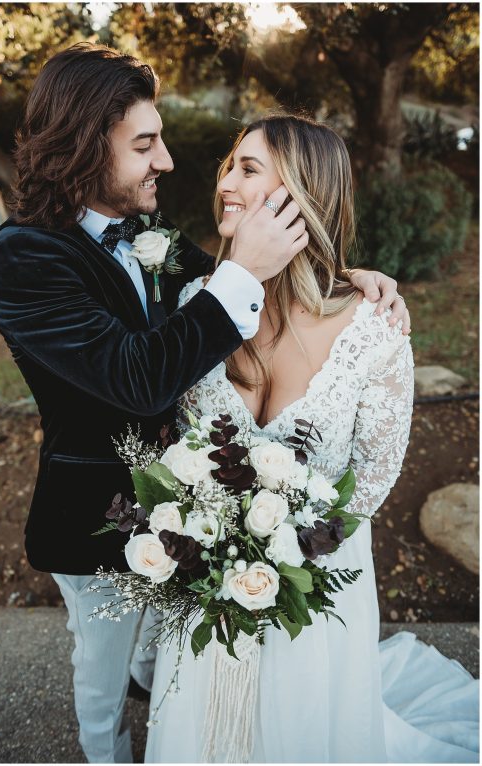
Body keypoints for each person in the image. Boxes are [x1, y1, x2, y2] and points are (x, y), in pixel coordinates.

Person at [0, 43, 409, 764]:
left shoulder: (149, 234)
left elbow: (241, 286)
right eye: (144, 144)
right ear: (87, 146)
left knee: (175, 661)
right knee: (102, 672)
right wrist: (243, 269)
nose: (168, 161)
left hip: (197, 519)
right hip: (97, 513)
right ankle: (108, 753)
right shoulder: (24, 256)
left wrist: (345, 276)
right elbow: (140, 375)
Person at [144, 114, 478, 763]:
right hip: (205, 582)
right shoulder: (194, 303)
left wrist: (279, 558)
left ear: (301, 193)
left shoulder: (374, 325)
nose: (225, 183)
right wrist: (215, 550)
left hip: (314, 592)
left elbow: (372, 479)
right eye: (229, 166)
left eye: (248, 169)